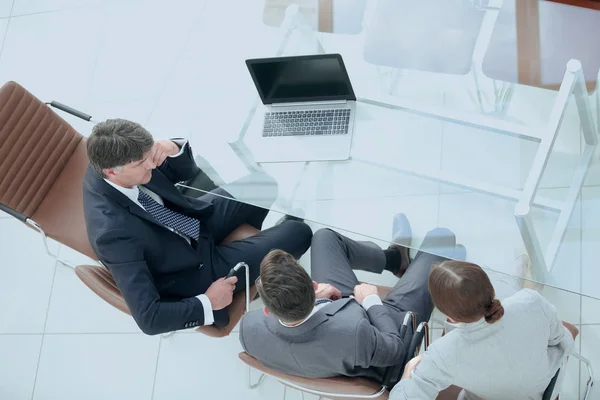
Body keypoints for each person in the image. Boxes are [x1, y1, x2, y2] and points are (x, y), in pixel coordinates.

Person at [83, 119, 312, 335]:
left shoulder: (116, 158)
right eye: (142, 163)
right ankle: (258, 263)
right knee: (299, 232)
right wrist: (207, 302)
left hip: (192, 222)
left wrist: (173, 148)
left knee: (262, 185)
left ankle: (254, 261)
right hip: (193, 270)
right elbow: (149, 319)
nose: (152, 164)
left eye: (150, 154)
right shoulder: (113, 235)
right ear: (112, 172)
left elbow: (185, 172)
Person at [239, 213, 464, 383]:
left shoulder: (248, 331)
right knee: (441, 237)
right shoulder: (355, 334)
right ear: (314, 284)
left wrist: (317, 300)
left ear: (267, 310)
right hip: (385, 325)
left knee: (325, 238)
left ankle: (396, 259)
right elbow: (395, 349)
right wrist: (371, 302)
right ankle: (442, 272)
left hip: (336, 317)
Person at [390, 260, 576, 400]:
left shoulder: (442, 355)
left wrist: (408, 374)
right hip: (546, 387)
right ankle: (516, 274)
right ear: (490, 287)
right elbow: (560, 338)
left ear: (450, 315)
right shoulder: (531, 300)